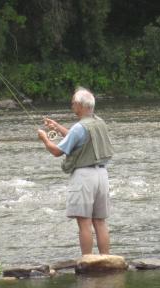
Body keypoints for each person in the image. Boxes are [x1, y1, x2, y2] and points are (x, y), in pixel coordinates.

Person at [37, 87, 114, 256]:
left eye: (73, 103)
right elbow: (77, 138)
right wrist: (57, 127)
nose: (71, 105)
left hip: (84, 176)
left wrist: (44, 138)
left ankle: (87, 260)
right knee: (100, 222)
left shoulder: (80, 127)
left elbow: (57, 151)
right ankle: (106, 260)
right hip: (102, 175)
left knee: (84, 222)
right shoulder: (99, 122)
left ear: (80, 105)